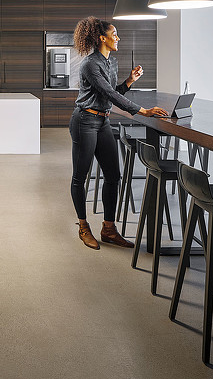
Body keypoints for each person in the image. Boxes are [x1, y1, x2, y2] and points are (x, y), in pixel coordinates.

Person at [70, 17, 168, 250]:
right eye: (115, 33)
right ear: (102, 38)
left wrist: (130, 81)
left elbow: (111, 92)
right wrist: (142, 111)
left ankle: (108, 229)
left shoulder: (110, 63)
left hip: (102, 121)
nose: (118, 37)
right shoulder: (90, 64)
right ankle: (83, 227)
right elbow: (108, 94)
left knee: (114, 176)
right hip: (85, 121)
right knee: (79, 177)